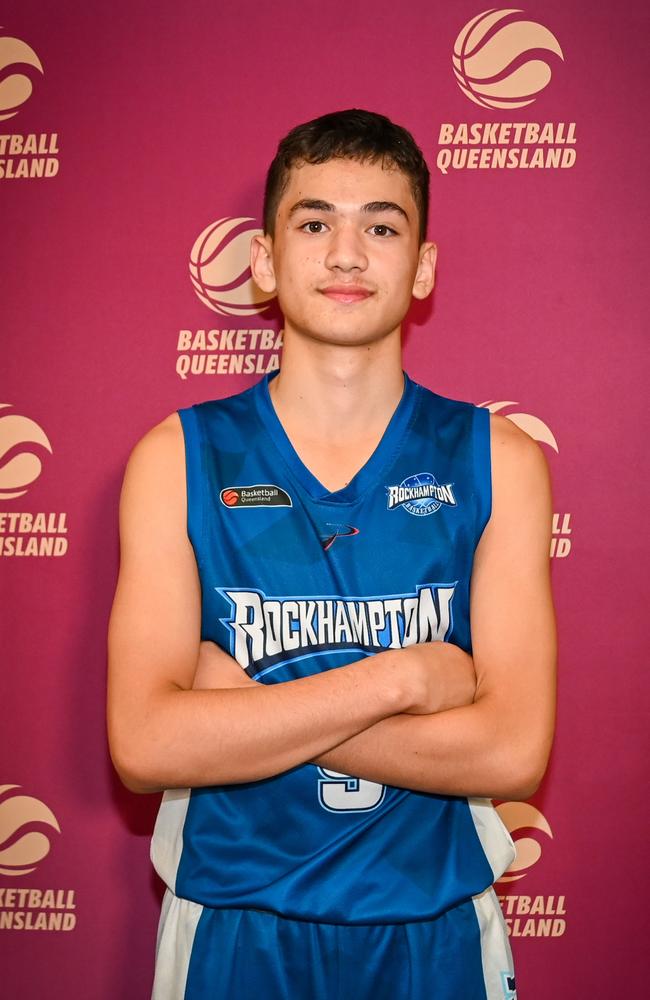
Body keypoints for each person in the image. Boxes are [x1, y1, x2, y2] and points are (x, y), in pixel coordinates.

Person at [108, 109, 556, 1000]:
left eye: (381, 226)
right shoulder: (179, 457)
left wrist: (245, 716)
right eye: (314, 223)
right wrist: (399, 683)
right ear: (266, 262)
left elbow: (511, 751)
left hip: (433, 930)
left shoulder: (496, 459)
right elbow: (146, 741)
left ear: (421, 266)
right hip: (233, 923)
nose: (347, 254)